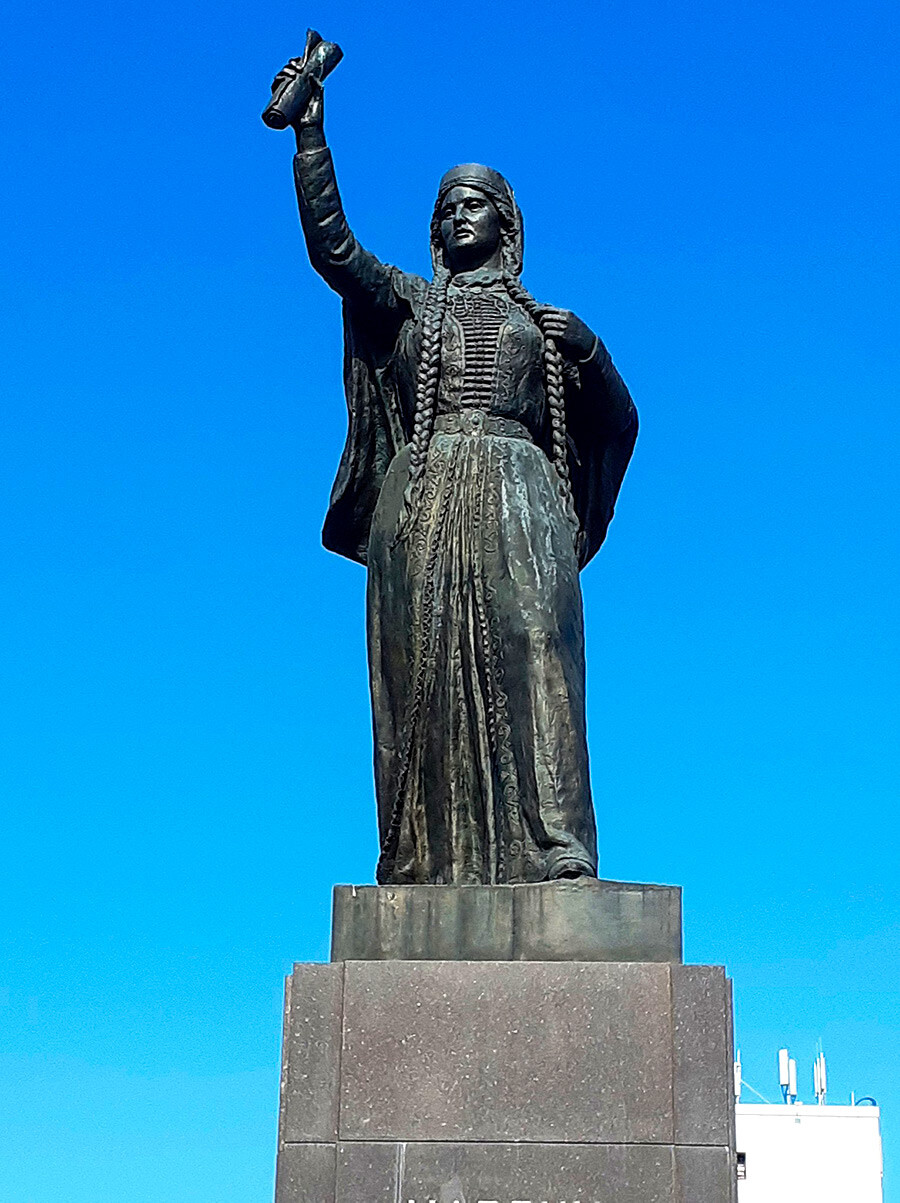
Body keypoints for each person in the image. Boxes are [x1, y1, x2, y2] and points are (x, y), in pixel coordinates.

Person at [280, 64, 638, 885]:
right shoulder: (407, 303)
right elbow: (334, 250)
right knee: (419, 675)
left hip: (518, 495)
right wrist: (310, 137)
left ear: (504, 221)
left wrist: (591, 350)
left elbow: (620, 424)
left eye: (471, 202)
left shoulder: (546, 327)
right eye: (444, 206)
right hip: (425, 498)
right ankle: (415, 853)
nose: (454, 215)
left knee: (538, 649)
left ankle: (558, 848)